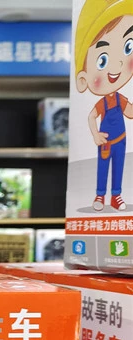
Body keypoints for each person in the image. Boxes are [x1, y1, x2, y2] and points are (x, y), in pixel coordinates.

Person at [75, 1, 133, 211]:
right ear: (83, 78)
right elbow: (91, 116)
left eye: (128, 47)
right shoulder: (104, 102)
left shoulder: (121, 98)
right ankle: (100, 196)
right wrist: (95, 134)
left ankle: (116, 196)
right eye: (103, 60)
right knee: (102, 167)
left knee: (118, 168)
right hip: (106, 141)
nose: (117, 65)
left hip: (121, 140)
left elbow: (130, 112)